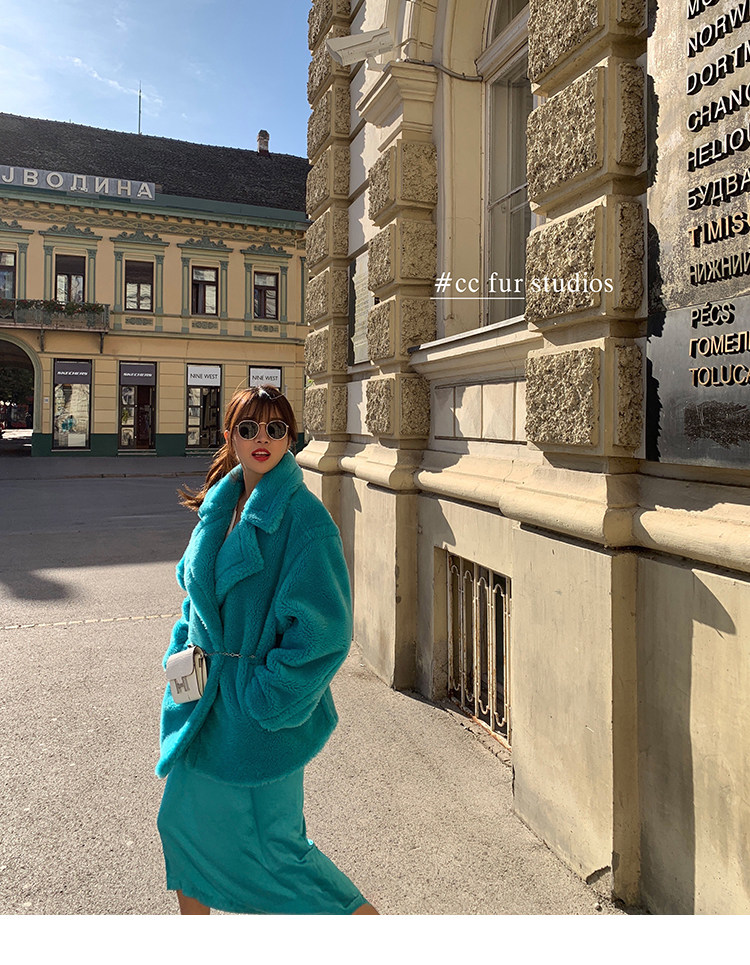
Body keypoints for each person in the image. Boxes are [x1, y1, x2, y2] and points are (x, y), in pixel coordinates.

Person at [156, 385, 378, 916]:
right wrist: (184, 651)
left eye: (276, 428)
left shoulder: (304, 520)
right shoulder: (220, 506)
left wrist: (267, 697)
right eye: (249, 427)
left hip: (258, 718)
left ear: (290, 438)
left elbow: (326, 634)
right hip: (205, 704)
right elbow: (196, 597)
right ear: (229, 436)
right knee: (182, 827)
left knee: (280, 852)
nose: (263, 438)